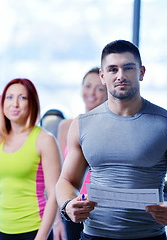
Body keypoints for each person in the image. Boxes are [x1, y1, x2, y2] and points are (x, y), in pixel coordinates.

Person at [55, 40, 167, 240]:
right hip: (94, 235)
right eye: (112, 69)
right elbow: (67, 180)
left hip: (148, 236)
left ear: (141, 72)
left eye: (128, 68)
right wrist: (67, 206)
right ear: (103, 76)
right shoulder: (82, 124)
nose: (120, 76)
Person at [0, 78, 61, 240]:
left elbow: (54, 193)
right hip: (1, 228)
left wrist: (42, 236)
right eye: (9, 97)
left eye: (22, 97)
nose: (15, 103)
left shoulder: (45, 140)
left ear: (32, 103)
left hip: (33, 229)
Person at [57, 67, 107, 240]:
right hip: (73, 206)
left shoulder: (110, 129)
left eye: (99, 88)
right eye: (87, 86)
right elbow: (59, 177)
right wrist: (58, 216)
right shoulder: (66, 126)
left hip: (101, 209)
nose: (91, 93)